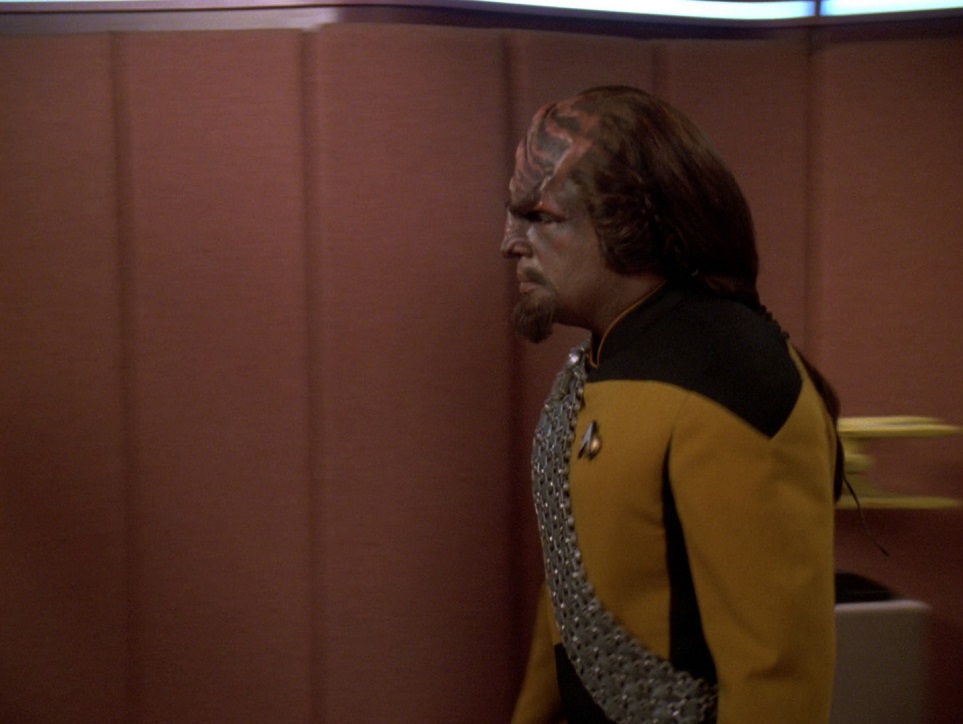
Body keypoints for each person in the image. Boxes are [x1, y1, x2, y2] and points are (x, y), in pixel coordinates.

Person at [501, 86, 843, 723]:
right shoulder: (595, 364)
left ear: (631, 224)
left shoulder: (730, 381)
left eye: (539, 216)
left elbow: (776, 677)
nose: (509, 242)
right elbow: (573, 596)